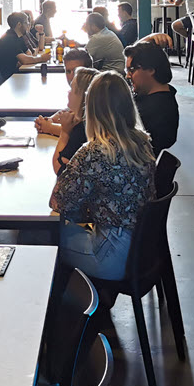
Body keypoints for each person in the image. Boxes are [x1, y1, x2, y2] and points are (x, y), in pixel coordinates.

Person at [49, 72, 155, 281]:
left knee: (39, 236)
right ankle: (90, 299)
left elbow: (58, 202)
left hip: (109, 254)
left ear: (92, 109)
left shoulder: (94, 152)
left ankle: (58, 308)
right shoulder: (142, 142)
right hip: (141, 249)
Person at [124, 39, 180, 155]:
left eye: (131, 70)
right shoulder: (162, 95)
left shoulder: (155, 110)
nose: (128, 76)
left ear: (150, 70)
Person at [35, 49, 94, 136]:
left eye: (76, 71)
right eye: (68, 71)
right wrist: (48, 121)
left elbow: (83, 133)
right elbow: (68, 112)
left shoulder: (96, 95)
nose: (71, 76)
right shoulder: (77, 95)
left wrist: (50, 127)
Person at [52, 67, 98, 174]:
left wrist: (65, 132)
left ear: (82, 97)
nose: (68, 92)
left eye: (72, 89)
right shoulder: (96, 123)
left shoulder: (82, 130)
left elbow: (60, 169)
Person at [0, 11, 50, 79]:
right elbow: (25, 60)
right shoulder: (9, 39)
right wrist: (42, 58)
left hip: (15, 74)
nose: (28, 25)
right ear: (19, 24)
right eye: (26, 23)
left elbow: (29, 54)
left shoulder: (18, 37)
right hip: (9, 77)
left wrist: (25, 59)